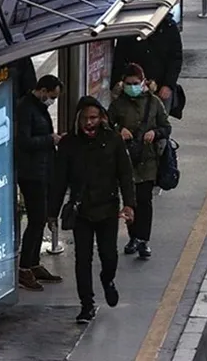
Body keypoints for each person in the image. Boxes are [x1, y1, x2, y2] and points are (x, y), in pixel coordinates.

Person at [52, 96, 136, 323]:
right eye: (85, 119)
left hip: (108, 208)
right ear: (78, 119)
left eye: (94, 118)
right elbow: (60, 180)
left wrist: (129, 204)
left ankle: (107, 279)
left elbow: (125, 175)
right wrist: (52, 211)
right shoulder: (69, 144)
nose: (89, 123)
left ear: (101, 118)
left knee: (109, 255)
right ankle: (86, 305)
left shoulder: (113, 140)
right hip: (82, 210)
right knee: (83, 259)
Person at [107, 63, 172, 260]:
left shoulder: (154, 103)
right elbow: (107, 126)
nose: (132, 87)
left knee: (145, 200)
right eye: (128, 83)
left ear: (143, 82)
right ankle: (133, 236)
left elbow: (166, 127)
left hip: (148, 159)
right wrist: (118, 130)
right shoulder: (118, 104)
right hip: (125, 160)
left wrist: (155, 132)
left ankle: (143, 239)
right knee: (130, 200)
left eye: (135, 83)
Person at [14, 74, 65, 291]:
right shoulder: (26, 108)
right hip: (31, 173)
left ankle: (33, 264)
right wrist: (49, 139)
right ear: (42, 90)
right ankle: (24, 268)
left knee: (40, 219)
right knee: (36, 220)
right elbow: (23, 140)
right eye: (51, 96)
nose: (52, 100)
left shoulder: (37, 107)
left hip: (41, 170)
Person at [112, 14, 183, 113]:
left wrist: (168, 84)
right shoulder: (130, 28)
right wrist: (118, 83)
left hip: (160, 86)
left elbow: (175, 59)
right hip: (133, 86)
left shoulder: (168, 27)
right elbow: (119, 57)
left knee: (159, 120)